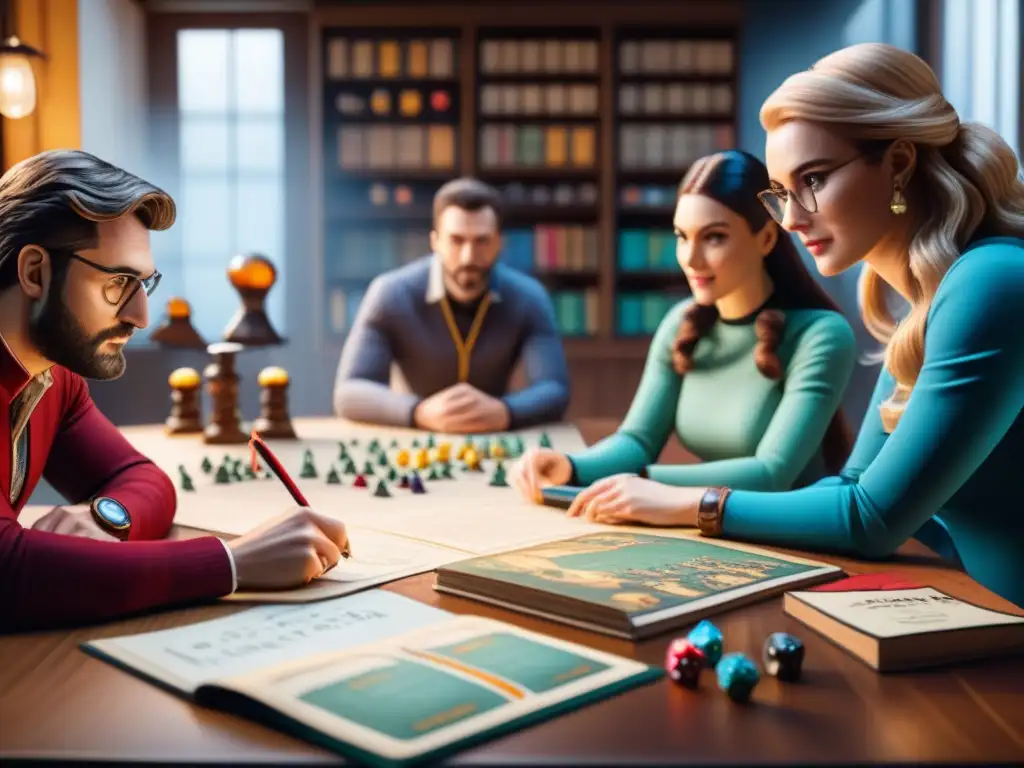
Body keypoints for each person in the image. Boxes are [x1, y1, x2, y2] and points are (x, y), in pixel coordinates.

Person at [556, 43, 1024, 608]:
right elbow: (851, 488)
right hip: (976, 610)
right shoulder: (925, 306)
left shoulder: (992, 282)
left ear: (899, 163)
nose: (794, 218)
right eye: (781, 193)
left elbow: (869, 517)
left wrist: (688, 503)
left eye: (816, 179)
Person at [0, 149, 350, 632]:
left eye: (145, 284)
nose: (141, 316)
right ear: (35, 272)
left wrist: (108, 520)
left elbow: (143, 479)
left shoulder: (53, 378)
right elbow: (9, 572)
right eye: (119, 282)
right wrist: (232, 562)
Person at [510, 149, 857, 500]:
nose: (690, 259)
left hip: (789, 536)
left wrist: (644, 481)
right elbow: (638, 439)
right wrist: (570, 467)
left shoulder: (821, 336)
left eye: (714, 237)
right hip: (704, 522)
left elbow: (771, 473)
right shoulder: (682, 323)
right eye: (682, 236)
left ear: (766, 238)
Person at [332, 177, 570, 433]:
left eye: (482, 241)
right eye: (457, 240)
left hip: (491, 435)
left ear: (499, 242)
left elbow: (554, 389)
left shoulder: (529, 297)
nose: (469, 257)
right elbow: (349, 393)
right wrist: (418, 411)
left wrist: (505, 411)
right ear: (435, 241)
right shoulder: (391, 293)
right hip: (415, 437)